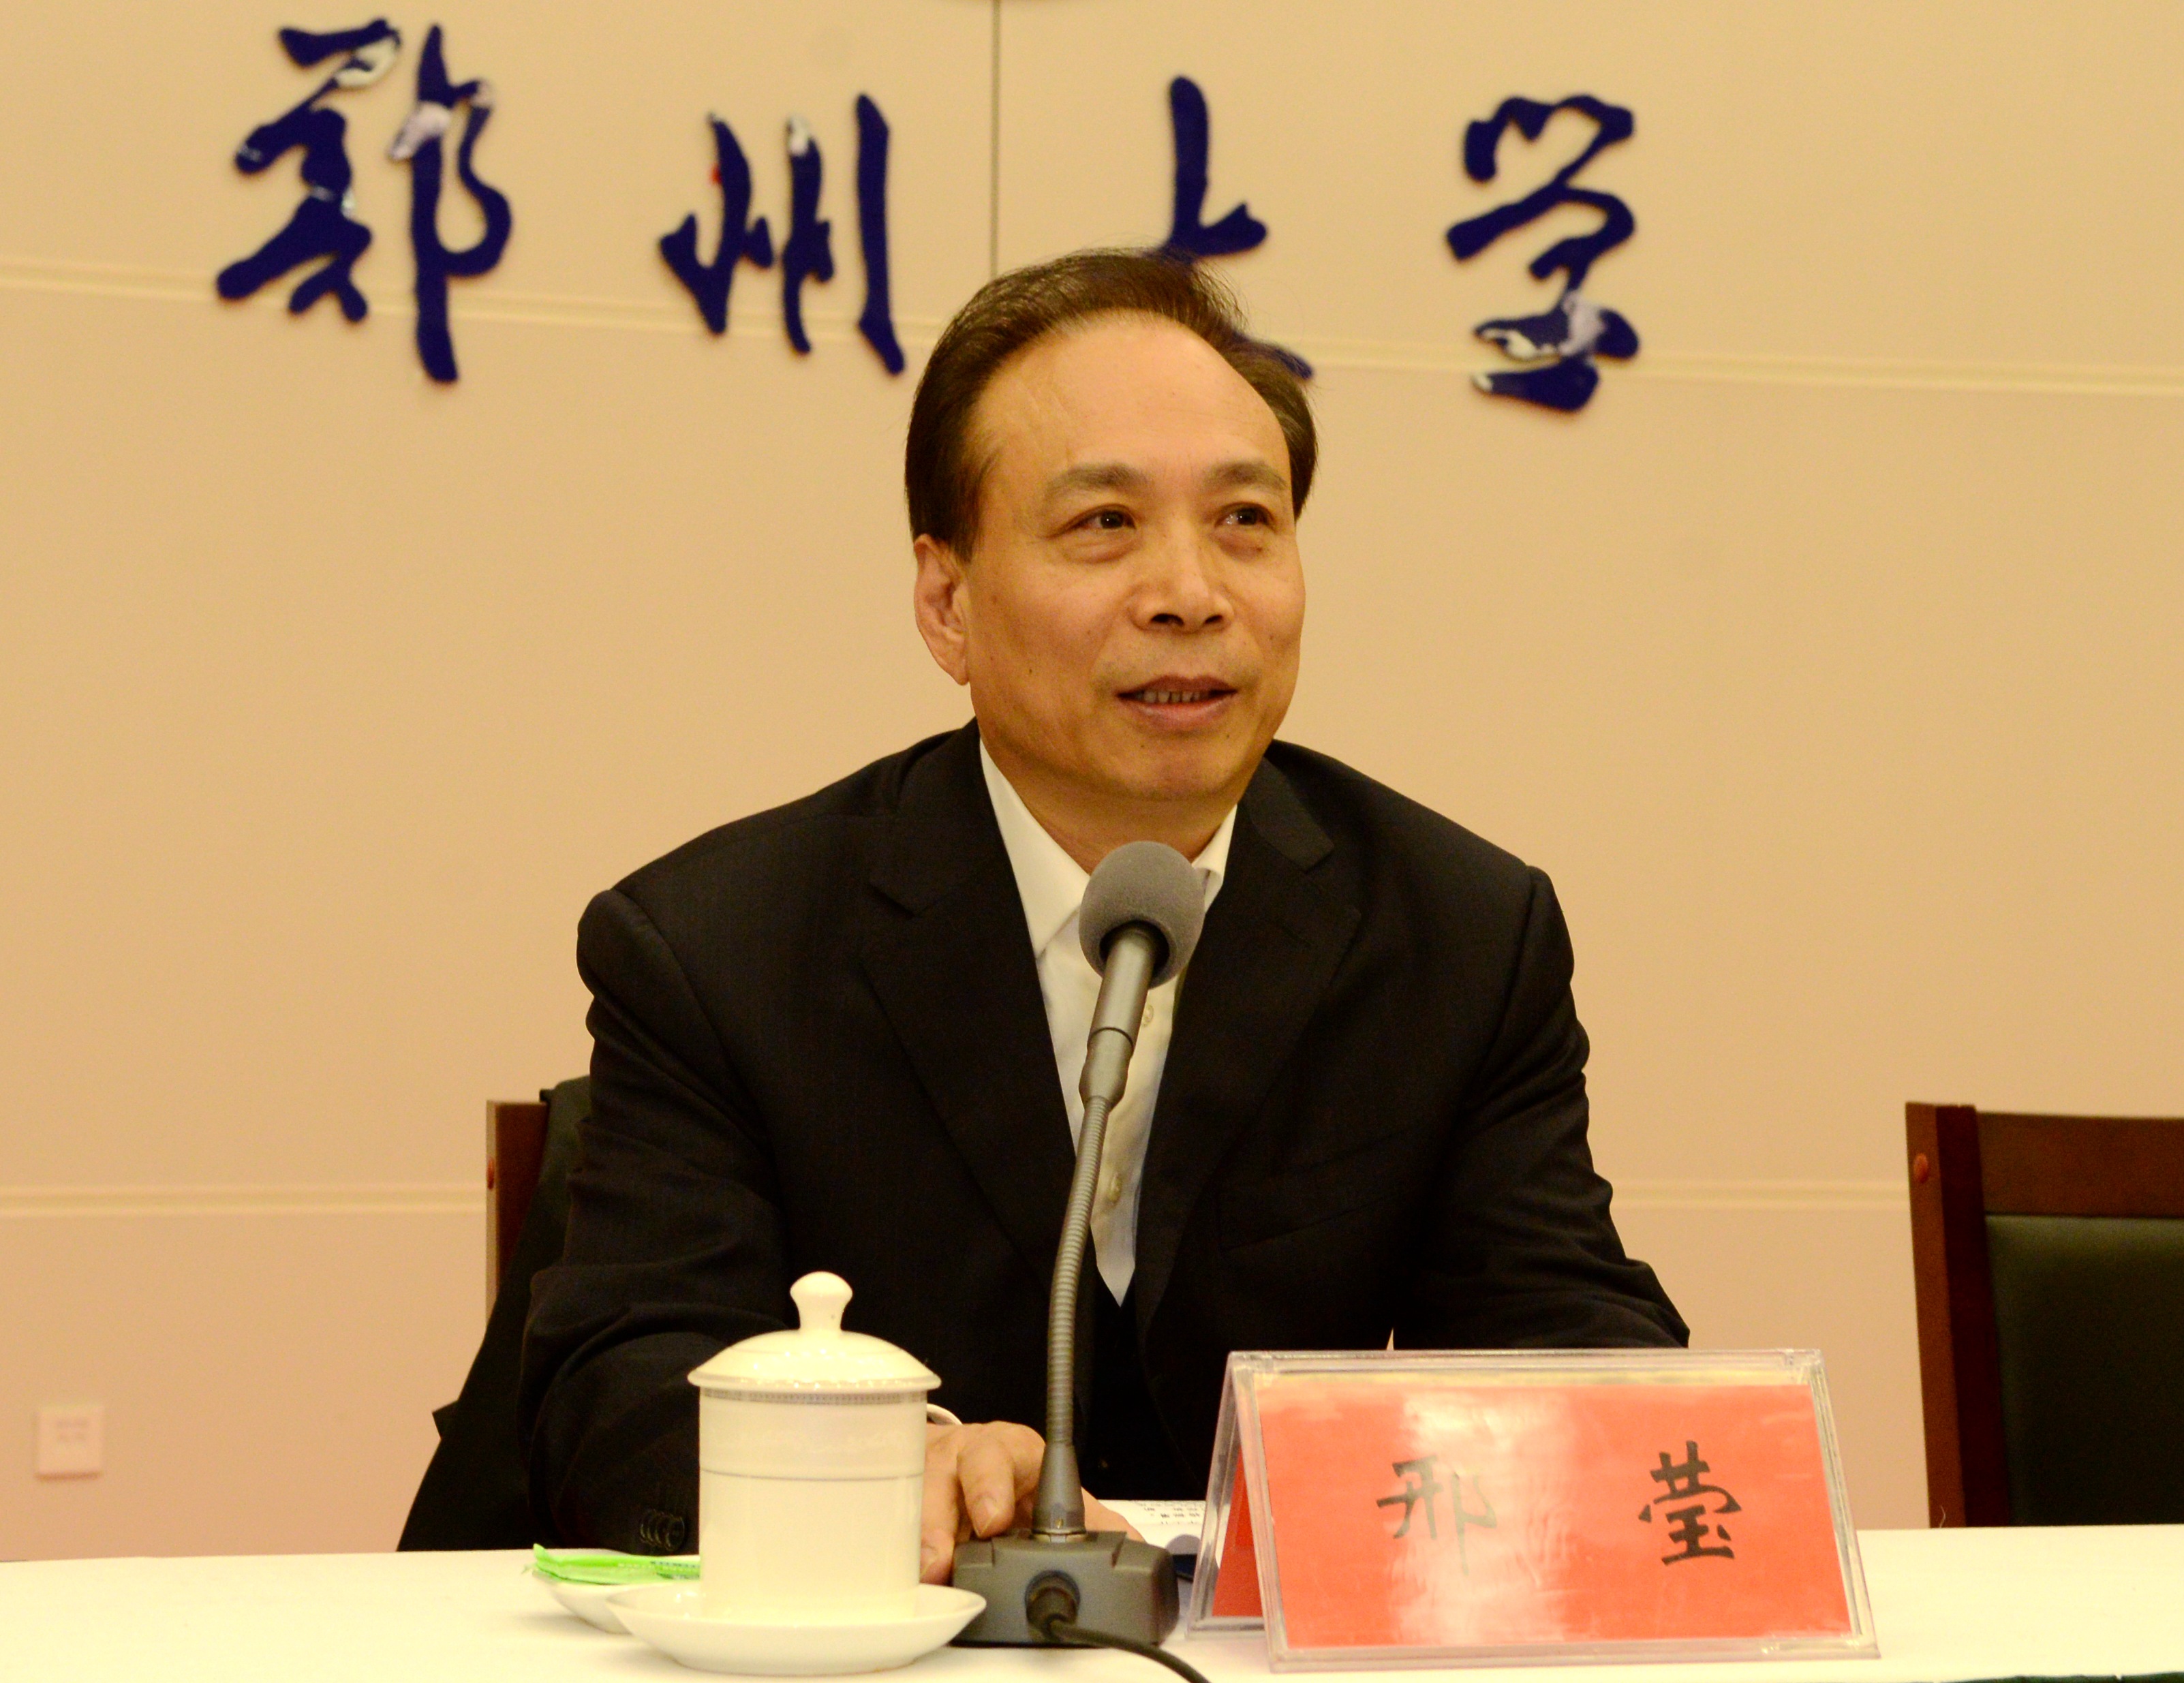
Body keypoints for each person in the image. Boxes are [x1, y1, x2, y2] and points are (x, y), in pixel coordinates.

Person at [519, 249, 1685, 1579]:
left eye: (1245, 520)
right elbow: (616, 1399)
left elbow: (1571, 1348)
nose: (1191, 591)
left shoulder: (1458, 932)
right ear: (947, 602)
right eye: (1104, 524)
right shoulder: (720, 946)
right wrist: (880, 1465)